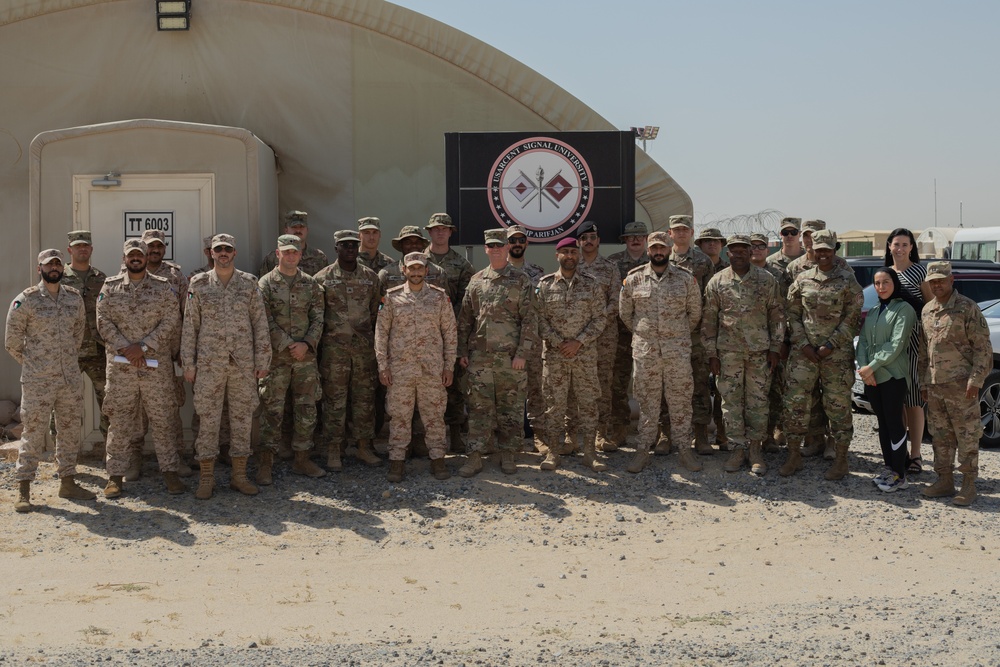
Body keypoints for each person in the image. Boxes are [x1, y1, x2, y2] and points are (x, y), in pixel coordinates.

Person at [182, 233, 272, 500]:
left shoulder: (249, 284)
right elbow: (190, 326)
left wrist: (263, 360)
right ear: (211, 252)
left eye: (227, 249)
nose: (223, 253)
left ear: (235, 253)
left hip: (243, 365)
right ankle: (206, 478)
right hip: (209, 365)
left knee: (242, 420)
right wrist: (189, 363)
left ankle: (239, 476)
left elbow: (260, 324)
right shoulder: (198, 284)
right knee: (208, 420)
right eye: (218, 249)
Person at [6, 249, 96, 512]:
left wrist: (65, 360)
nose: (54, 268)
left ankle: (67, 481)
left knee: (69, 431)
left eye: (58, 263)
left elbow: (78, 333)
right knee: (33, 432)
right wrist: (35, 364)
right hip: (38, 381)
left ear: (62, 267)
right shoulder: (27, 300)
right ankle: (23, 488)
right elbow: (11, 341)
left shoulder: (73, 298)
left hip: (69, 378)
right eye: (49, 264)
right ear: (40, 269)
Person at [96, 239, 186, 498]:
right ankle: (115, 476)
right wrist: (127, 347)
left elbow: (171, 320)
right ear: (124, 258)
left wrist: (144, 347)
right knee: (120, 421)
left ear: (147, 258)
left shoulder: (162, 287)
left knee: (163, 419)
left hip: (155, 368)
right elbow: (103, 322)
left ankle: (169, 472)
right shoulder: (110, 287)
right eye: (131, 255)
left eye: (140, 254)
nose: (136, 258)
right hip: (122, 369)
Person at [780, 230, 863, 480]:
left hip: (835, 356)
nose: (824, 254)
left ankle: (841, 459)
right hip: (803, 355)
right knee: (795, 403)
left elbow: (853, 318)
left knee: (837, 406)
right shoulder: (802, 279)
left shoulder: (848, 280)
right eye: (819, 249)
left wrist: (832, 344)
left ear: (834, 250)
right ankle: (794, 454)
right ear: (812, 250)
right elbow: (792, 314)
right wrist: (803, 344)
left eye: (828, 249)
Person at [618, 232, 702, 474]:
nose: (658, 251)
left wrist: (675, 336)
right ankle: (642, 450)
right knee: (646, 402)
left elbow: (694, 314)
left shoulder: (685, 279)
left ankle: (685, 450)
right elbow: (626, 314)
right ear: (648, 250)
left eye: (662, 247)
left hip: (677, 352)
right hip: (646, 353)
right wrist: (644, 334)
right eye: (654, 247)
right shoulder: (633, 279)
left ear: (669, 249)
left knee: (681, 402)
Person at [456, 229, 538, 477]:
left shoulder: (521, 280)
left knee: (510, 409)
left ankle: (508, 454)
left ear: (507, 248)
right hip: (480, 358)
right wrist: (462, 351)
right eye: (491, 245)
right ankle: (475, 456)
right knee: (478, 408)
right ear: (485, 249)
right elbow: (465, 320)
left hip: (510, 359)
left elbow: (530, 320)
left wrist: (522, 354)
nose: (496, 249)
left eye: (500, 245)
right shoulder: (476, 280)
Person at [701, 235, 784, 475]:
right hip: (728, 354)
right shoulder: (717, 282)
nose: (738, 255)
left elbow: (777, 317)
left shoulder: (766, 280)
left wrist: (775, 348)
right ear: (728, 254)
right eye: (734, 251)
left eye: (743, 251)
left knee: (758, 402)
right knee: (730, 403)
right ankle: (737, 448)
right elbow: (709, 321)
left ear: (750, 253)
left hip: (759, 353)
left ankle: (755, 449)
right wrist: (711, 354)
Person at [375, 252, 457, 482]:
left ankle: (438, 460)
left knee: (434, 416)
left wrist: (449, 366)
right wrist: (383, 366)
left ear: (427, 270)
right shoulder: (391, 298)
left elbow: (450, 333)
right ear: (404, 270)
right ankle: (397, 461)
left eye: (420, 268)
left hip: (432, 370)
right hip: (400, 370)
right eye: (412, 268)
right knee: (399, 416)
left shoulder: (439, 298)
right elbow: (381, 334)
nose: (416, 272)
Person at [919, 261, 992, 506]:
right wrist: (923, 382)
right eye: (933, 281)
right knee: (939, 436)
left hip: (962, 388)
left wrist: (976, 380)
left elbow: (983, 349)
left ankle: (969, 484)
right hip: (935, 386)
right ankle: (944, 480)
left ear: (951, 280)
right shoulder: (927, 310)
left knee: (967, 436)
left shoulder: (967, 308)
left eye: (941, 279)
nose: (937, 284)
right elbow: (923, 351)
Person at [256, 234, 326, 485]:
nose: (290, 256)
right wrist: (288, 344)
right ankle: (266, 463)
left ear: (300, 254)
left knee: (306, 407)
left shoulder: (311, 284)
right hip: (276, 358)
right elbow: (264, 321)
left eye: (294, 252)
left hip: (305, 358)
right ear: (278, 254)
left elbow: (319, 318)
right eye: (286, 252)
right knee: (272, 410)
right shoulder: (265, 284)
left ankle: (302, 459)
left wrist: (306, 344)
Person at [314, 229, 382, 470]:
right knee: (334, 401)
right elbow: (317, 315)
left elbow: (376, 313)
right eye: (345, 246)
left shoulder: (371, 277)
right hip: (334, 352)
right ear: (336, 248)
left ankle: (364, 446)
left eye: (354, 245)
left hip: (364, 350)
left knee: (364, 400)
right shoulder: (322, 279)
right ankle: (334, 449)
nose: (351, 249)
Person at [126, 229, 189, 480]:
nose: (154, 251)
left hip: (166, 352)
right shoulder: (128, 273)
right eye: (150, 246)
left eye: (159, 246)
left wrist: (182, 350)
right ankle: (134, 460)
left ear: (165, 248)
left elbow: (186, 313)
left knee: (170, 408)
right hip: (135, 355)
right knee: (136, 410)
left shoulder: (175, 275)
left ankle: (177, 458)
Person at [855, 267, 917, 492]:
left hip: (892, 375)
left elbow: (896, 344)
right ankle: (889, 467)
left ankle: (900, 475)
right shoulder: (873, 311)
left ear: (895, 284)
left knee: (894, 423)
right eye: (877, 283)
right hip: (872, 377)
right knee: (882, 423)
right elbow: (862, 341)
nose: (881, 287)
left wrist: (871, 366)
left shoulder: (904, 309)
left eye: (886, 282)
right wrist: (864, 368)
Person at [885, 227, 932, 475]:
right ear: (889, 247)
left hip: (914, 342)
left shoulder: (920, 271)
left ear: (911, 247)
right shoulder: (886, 273)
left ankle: (916, 454)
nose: (900, 249)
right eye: (896, 244)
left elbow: (930, 306)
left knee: (914, 400)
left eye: (905, 244)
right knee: (896, 400)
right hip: (891, 344)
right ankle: (899, 451)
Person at [425, 213, 474, 452]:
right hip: (421, 335)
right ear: (429, 232)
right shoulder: (418, 260)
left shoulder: (462, 264)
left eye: (445, 229)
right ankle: (423, 439)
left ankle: (455, 435)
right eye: (436, 229)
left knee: (453, 386)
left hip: (451, 332)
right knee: (424, 386)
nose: (440, 232)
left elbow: (467, 300)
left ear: (451, 232)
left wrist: (447, 318)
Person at [668, 215, 715, 457]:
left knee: (699, 385)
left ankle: (701, 435)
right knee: (666, 385)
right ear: (670, 233)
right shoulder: (662, 257)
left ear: (692, 232)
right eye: (677, 230)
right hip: (668, 336)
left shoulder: (703, 261)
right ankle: (665, 435)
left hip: (695, 336)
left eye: (685, 229)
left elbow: (710, 300)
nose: (681, 233)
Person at [575, 221, 621, 452]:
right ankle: (572, 435)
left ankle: (603, 434)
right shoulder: (573, 265)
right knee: (575, 384)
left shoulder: (610, 268)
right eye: (584, 238)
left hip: (604, 336)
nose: (589, 241)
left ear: (598, 240)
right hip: (575, 337)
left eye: (592, 236)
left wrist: (597, 320)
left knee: (603, 384)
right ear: (579, 242)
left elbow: (616, 300)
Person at [606, 221, 650, 450]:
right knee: (618, 383)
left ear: (646, 239)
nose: (636, 240)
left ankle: (652, 432)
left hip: (649, 335)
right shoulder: (613, 263)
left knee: (650, 384)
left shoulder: (657, 261)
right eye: (631, 237)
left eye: (640, 237)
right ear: (625, 240)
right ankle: (619, 430)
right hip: (620, 335)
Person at [62, 230, 109, 438]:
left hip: (99, 350)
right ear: (69, 249)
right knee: (64, 402)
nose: (82, 249)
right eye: (78, 246)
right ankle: (61, 453)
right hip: (71, 351)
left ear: (91, 249)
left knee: (108, 401)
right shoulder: (58, 278)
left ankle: (109, 450)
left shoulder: (101, 278)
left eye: (86, 246)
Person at [505, 224, 546, 453]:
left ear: (527, 244)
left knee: (535, 387)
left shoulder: (538, 273)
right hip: (507, 339)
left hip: (534, 340)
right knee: (509, 388)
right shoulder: (499, 271)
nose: (517, 244)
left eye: (521, 240)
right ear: (507, 244)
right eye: (513, 241)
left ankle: (539, 435)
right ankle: (512, 437)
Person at [259, 210, 330, 277]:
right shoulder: (272, 258)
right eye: (294, 227)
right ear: (286, 230)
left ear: (307, 230)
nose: (298, 230)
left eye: (302, 227)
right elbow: (262, 285)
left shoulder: (319, 257)